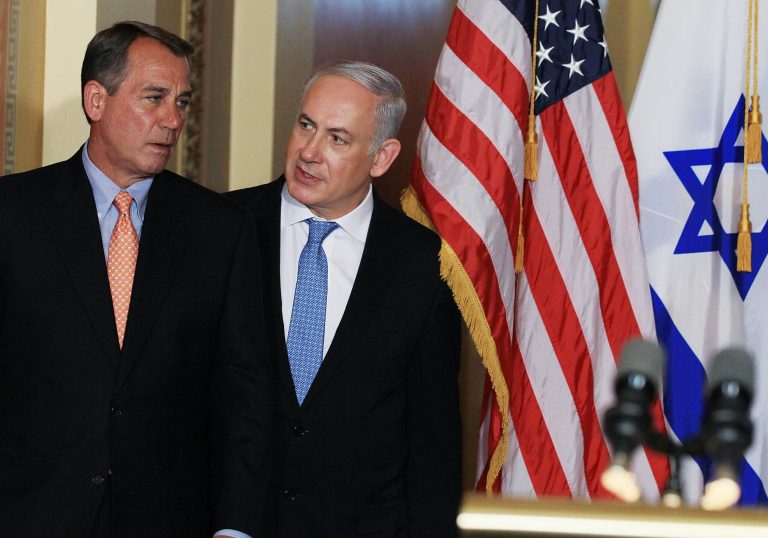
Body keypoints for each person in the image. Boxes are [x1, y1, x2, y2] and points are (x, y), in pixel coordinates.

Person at [0, 21, 274, 537]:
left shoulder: (220, 230)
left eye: (183, 102)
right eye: (154, 98)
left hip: (168, 519)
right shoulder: (14, 214)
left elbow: (245, 398)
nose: (173, 120)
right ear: (96, 100)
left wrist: (235, 528)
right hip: (31, 514)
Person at [229, 61, 462, 537]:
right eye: (306, 126)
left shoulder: (424, 265)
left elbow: (432, 445)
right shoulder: (224, 226)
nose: (309, 152)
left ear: (382, 157)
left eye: (337, 138)